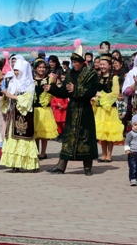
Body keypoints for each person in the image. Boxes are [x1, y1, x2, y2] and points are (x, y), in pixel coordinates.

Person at [47, 40, 99, 176]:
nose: (74, 64)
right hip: (73, 109)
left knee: (86, 138)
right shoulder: (70, 74)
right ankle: (61, 166)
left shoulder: (91, 74)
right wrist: (51, 89)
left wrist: (76, 89)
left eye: (77, 62)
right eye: (73, 62)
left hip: (85, 110)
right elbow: (65, 92)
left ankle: (87, 167)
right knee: (68, 138)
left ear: (83, 62)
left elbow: (91, 91)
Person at [0, 55, 40, 173]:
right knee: (13, 137)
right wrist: (5, 96)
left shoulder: (29, 83)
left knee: (25, 137)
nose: (16, 72)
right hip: (13, 113)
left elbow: (28, 99)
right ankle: (15, 164)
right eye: (15, 70)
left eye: (18, 70)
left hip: (24, 114)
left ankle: (31, 164)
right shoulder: (13, 81)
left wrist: (11, 96)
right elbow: (8, 97)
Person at [94, 54, 123, 163]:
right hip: (100, 108)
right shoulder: (98, 77)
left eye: (104, 64)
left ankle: (109, 154)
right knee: (102, 132)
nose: (102, 66)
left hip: (110, 108)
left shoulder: (114, 78)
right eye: (100, 64)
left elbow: (115, 93)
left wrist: (102, 96)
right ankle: (103, 154)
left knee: (109, 132)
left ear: (110, 65)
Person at [32, 59, 58, 159]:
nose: (42, 69)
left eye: (43, 67)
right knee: (35, 133)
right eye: (39, 67)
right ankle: (36, 151)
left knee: (44, 133)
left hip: (45, 109)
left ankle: (43, 152)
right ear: (35, 68)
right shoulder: (31, 80)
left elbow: (54, 91)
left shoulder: (49, 79)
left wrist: (54, 84)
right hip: (34, 109)